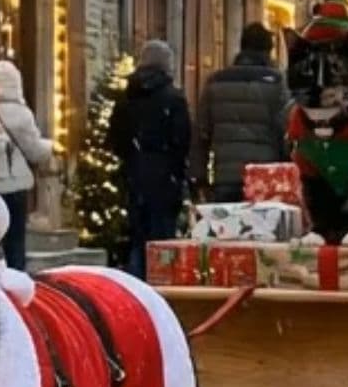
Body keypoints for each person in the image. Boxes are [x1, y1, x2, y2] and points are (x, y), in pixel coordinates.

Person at [108, 39, 191, 279]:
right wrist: (177, 172)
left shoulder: (127, 97)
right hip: (165, 177)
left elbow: (116, 137)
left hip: (135, 174)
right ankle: (162, 286)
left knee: (138, 236)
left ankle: (138, 285)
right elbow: (182, 140)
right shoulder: (173, 99)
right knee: (163, 239)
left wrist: (132, 160)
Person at [190, 21, 289, 201]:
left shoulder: (215, 82)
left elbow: (201, 134)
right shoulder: (277, 83)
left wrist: (200, 178)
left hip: (225, 177)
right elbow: (285, 131)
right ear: (268, 51)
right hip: (265, 176)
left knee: (226, 227)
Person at [0, 58, 54, 272]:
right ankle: (16, 282)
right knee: (15, 241)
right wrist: (50, 147)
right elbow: (33, 150)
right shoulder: (21, 114)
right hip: (14, 186)